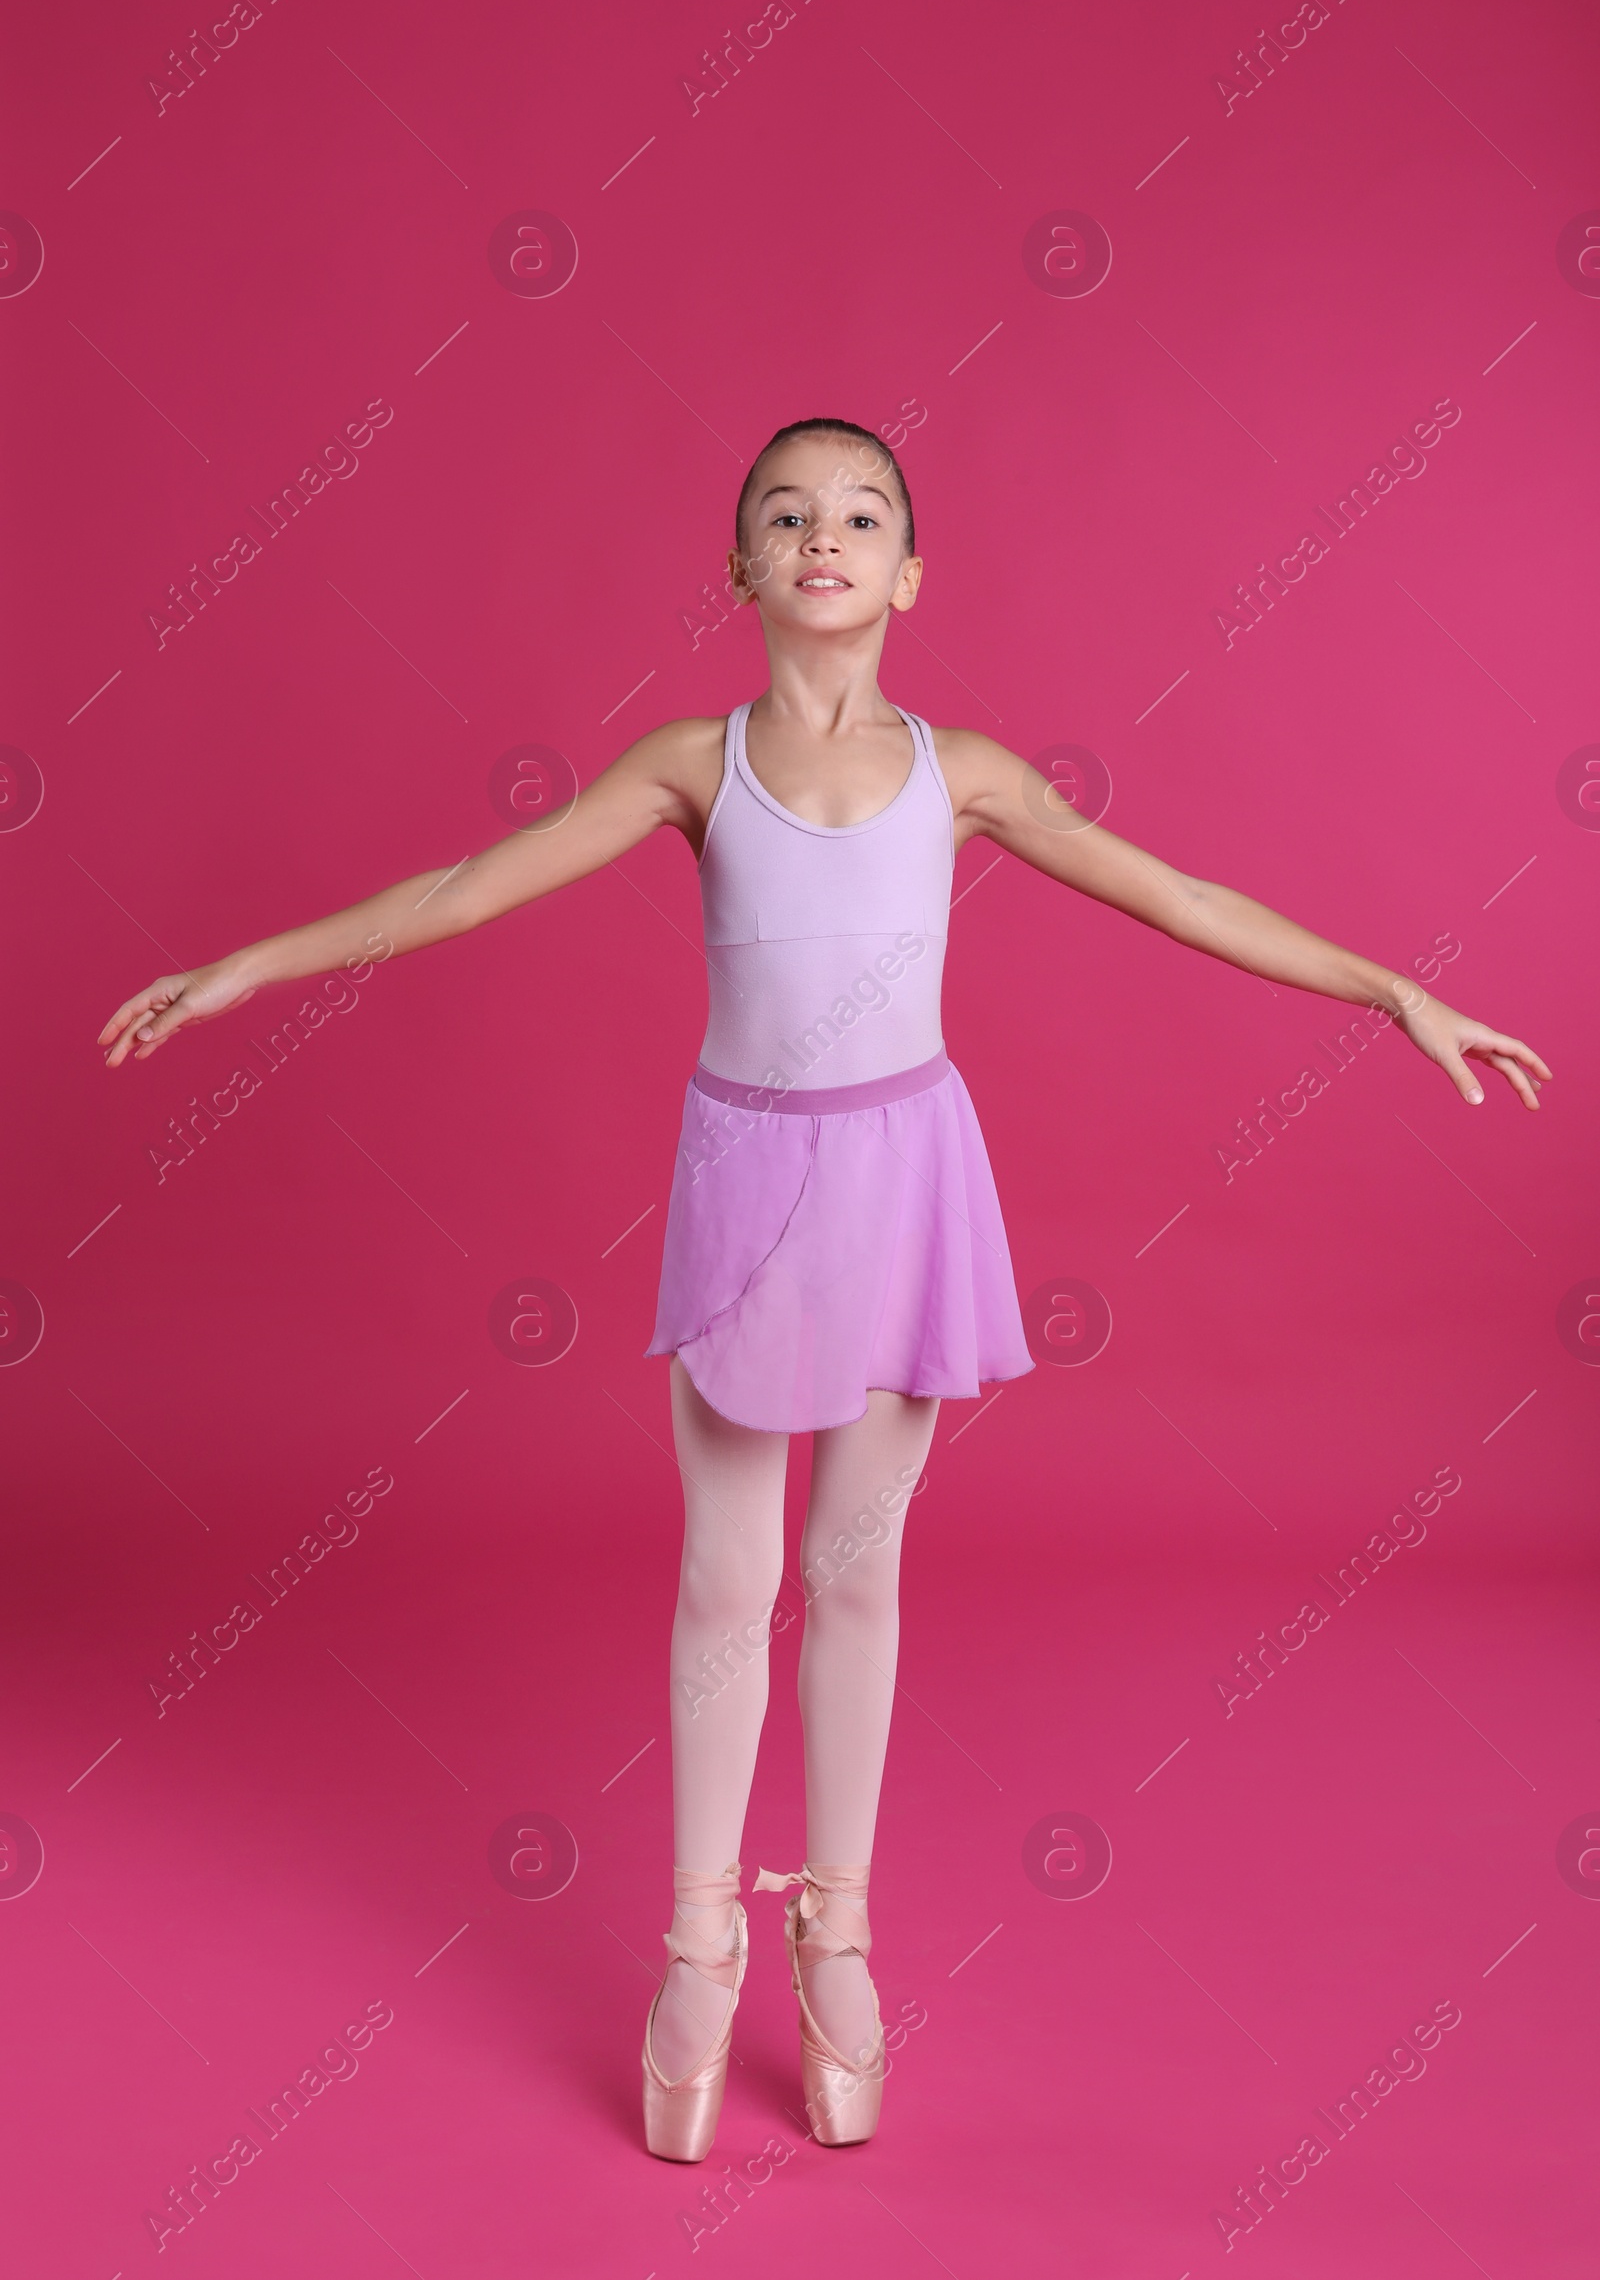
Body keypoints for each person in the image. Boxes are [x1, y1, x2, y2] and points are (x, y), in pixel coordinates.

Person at [99, 416, 1550, 2162]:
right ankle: (700, 1934)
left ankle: (836, 1927)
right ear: (741, 570)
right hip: (752, 1182)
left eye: (861, 513)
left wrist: (1398, 991)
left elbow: (1179, 892)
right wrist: (244, 964)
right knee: (729, 1577)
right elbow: (467, 890)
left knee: (855, 1584)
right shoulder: (689, 764)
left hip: (906, 1179)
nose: (823, 534)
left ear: (911, 572)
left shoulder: (975, 775)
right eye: (784, 514)